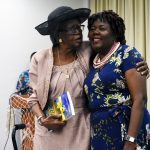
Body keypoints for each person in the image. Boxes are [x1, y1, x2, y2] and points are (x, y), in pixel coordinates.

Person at [28, 6, 149, 150]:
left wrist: (140, 64)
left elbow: (115, 51)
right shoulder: (40, 58)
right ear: (58, 34)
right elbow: (33, 98)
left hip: (81, 130)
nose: (79, 32)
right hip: (51, 130)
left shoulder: (88, 50)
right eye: (72, 29)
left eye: (79, 27)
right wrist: (43, 120)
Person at [84, 10, 150, 150]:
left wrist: (131, 140)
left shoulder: (127, 54)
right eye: (92, 29)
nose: (95, 32)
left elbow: (140, 99)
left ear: (115, 33)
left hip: (127, 128)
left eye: (102, 28)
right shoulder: (93, 60)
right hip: (101, 131)